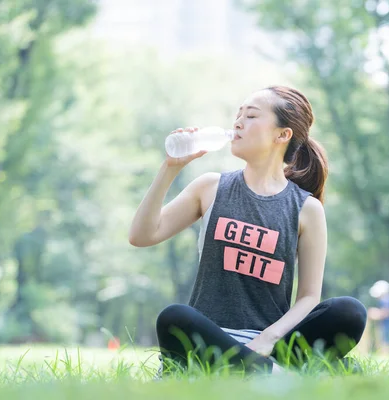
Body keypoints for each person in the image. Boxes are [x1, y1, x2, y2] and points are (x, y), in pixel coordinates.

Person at [129, 86, 367, 375]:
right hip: (208, 340)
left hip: (269, 345)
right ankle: (277, 377)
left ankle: (250, 370)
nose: (238, 122)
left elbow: (308, 297)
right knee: (174, 317)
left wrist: (266, 340)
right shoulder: (211, 187)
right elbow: (141, 236)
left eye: (251, 115)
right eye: (238, 114)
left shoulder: (307, 209)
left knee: (349, 311)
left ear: (283, 134)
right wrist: (170, 168)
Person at [368, 280, 389, 354]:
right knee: (382, 340)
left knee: (385, 340)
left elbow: (387, 312)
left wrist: (376, 313)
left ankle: (386, 355)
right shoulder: (386, 299)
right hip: (383, 324)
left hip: (386, 324)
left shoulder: (387, 299)